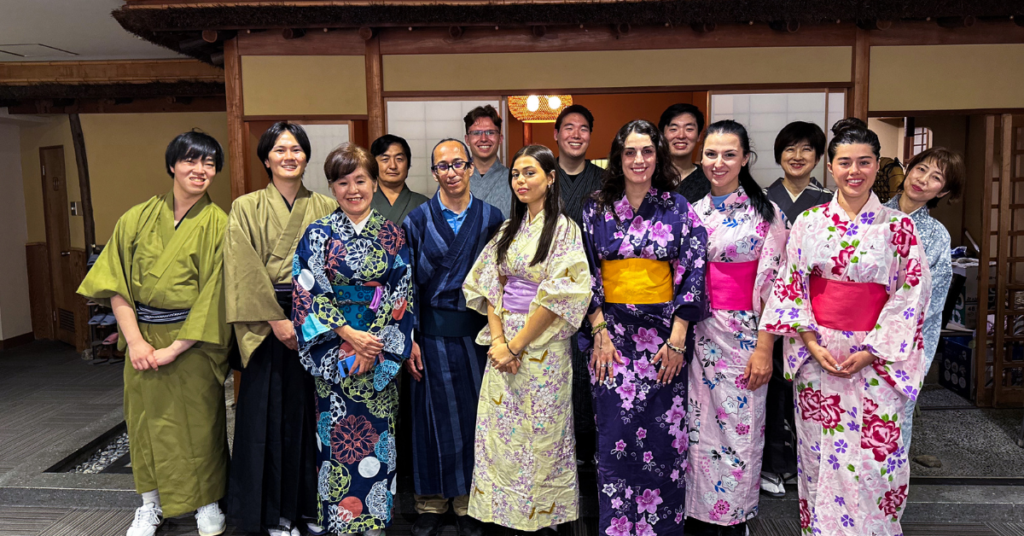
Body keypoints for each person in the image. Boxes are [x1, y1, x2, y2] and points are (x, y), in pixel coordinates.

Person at [761, 119, 930, 536]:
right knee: (818, 457)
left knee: (878, 461)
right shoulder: (809, 223)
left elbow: (912, 295)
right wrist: (809, 342)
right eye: (845, 162)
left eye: (865, 162)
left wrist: (873, 349)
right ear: (831, 167)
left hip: (876, 361)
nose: (855, 171)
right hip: (820, 356)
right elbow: (790, 285)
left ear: (878, 167)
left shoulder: (899, 227)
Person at [77, 131, 231, 536]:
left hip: (195, 341)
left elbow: (217, 295)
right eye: (191, 161)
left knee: (200, 423)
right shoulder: (136, 218)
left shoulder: (221, 224)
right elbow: (116, 284)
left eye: (209, 163)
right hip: (141, 338)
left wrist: (177, 347)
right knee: (144, 423)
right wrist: (137, 342)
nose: (200, 170)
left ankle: (206, 502)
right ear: (172, 165)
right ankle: (150, 504)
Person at [580, 120, 709, 536]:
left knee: (663, 441)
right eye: (630, 152)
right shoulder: (594, 207)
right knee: (613, 436)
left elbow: (692, 271)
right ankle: (617, 527)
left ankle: (661, 527)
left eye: (647, 152)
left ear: (659, 156)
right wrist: (598, 330)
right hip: (611, 339)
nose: (639, 160)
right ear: (619, 158)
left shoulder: (677, 208)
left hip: (662, 340)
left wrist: (678, 339)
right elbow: (582, 272)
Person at [463, 145, 592, 534]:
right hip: (503, 346)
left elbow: (562, 296)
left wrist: (516, 345)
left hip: (542, 346)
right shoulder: (508, 229)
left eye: (530, 173)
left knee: (542, 436)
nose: (521, 181)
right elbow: (490, 285)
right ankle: (503, 514)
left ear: (551, 178)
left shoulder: (565, 230)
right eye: (516, 174)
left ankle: (542, 518)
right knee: (501, 434)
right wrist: (499, 341)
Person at [292, 143, 415, 536]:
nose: (353, 189)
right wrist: (348, 338)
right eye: (342, 182)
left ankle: (375, 520)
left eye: (360, 180)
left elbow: (401, 296)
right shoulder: (318, 234)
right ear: (332, 187)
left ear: (374, 183)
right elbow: (307, 291)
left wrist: (373, 345)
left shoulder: (393, 235)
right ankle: (340, 523)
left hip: (377, 357)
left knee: (379, 439)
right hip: (336, 356)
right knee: (335, 442)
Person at [225, 122, 338, 536]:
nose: (289, 156)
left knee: (315, 419)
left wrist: (312, 318)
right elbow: (242, 268)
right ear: (266, 158)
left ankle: (311, 509)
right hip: (266, 321)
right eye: (280, 150)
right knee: (265, 421)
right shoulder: (245, 207)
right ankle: (272, 514)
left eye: (296, 149)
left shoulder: (325, 205)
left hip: (317, 321)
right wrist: (275, 319)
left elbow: (336, 268)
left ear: (306, 156)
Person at [684, 120, 788, 536]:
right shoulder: (694, 212)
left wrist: (765, 348)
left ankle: (734, 518)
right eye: (711, 154)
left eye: (729, 154)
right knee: (697, 430)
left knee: (739, 432)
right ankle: (698, 514)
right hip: (697, 335)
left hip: (745, 334)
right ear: (701, 158)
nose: (719, 162)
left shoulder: (766, 213)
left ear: (746, 158)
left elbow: (780, 285)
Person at [402, 138, 504, 536]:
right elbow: (404, 284)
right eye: (443, 166)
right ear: (435, 173)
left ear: (469, 168)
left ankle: (468, 498)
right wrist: (408, 336)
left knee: (475, 416)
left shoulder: (491, 217)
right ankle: (429, 501)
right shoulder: (417, 220)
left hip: (477, 336)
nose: (452, 172)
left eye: (458, 164)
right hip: (428, 336)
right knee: (429, 417)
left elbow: (499, 281)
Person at [760, 120, 833, 498]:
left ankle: (807, 466)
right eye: (790, 148)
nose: (797, 156)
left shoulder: (829, 203)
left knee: (809, 387)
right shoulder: (762, 199)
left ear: (819, 157)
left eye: (806, 149)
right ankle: (773, 464)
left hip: (814, 310)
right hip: (769, 308)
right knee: (773, 388)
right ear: (779, 155)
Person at [884, 147, 964, 451]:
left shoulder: (936, 235)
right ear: (909, 168)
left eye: (936, 178)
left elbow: (930, 302)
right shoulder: (870, 214)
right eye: (921, 169)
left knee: (892, 420)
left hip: (903, 342)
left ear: (942, 192)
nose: (923, 180)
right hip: (855, 333)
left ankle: (887, 494)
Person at [552, 103, 605, 467]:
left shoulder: (604, 182)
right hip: (549, 294)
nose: (575, 134)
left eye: (583, 128)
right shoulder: (540, 175)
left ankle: (590, 457)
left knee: (590, 375)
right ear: (555, 135)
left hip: (593, 292)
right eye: (568, 128)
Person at [370, 134, 428, 224]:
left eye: (399, 159)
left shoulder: (424, 204)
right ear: (373, 164)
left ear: (408, 164)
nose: (393, 166)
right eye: (385, 159)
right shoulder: (362, 202)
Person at [464, 105, 511, 216]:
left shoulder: (514, 179)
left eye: (490, 132)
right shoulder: (454, 178)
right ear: (467, 139)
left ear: (500, 138)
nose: (484, 139)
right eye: (476, 133)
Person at [659, 103, 711, 204]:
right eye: (673, 129)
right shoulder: (649, 176)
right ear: (662, 135)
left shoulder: (709, 180)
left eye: (689, 129)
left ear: (699, 135)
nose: (681, 135)